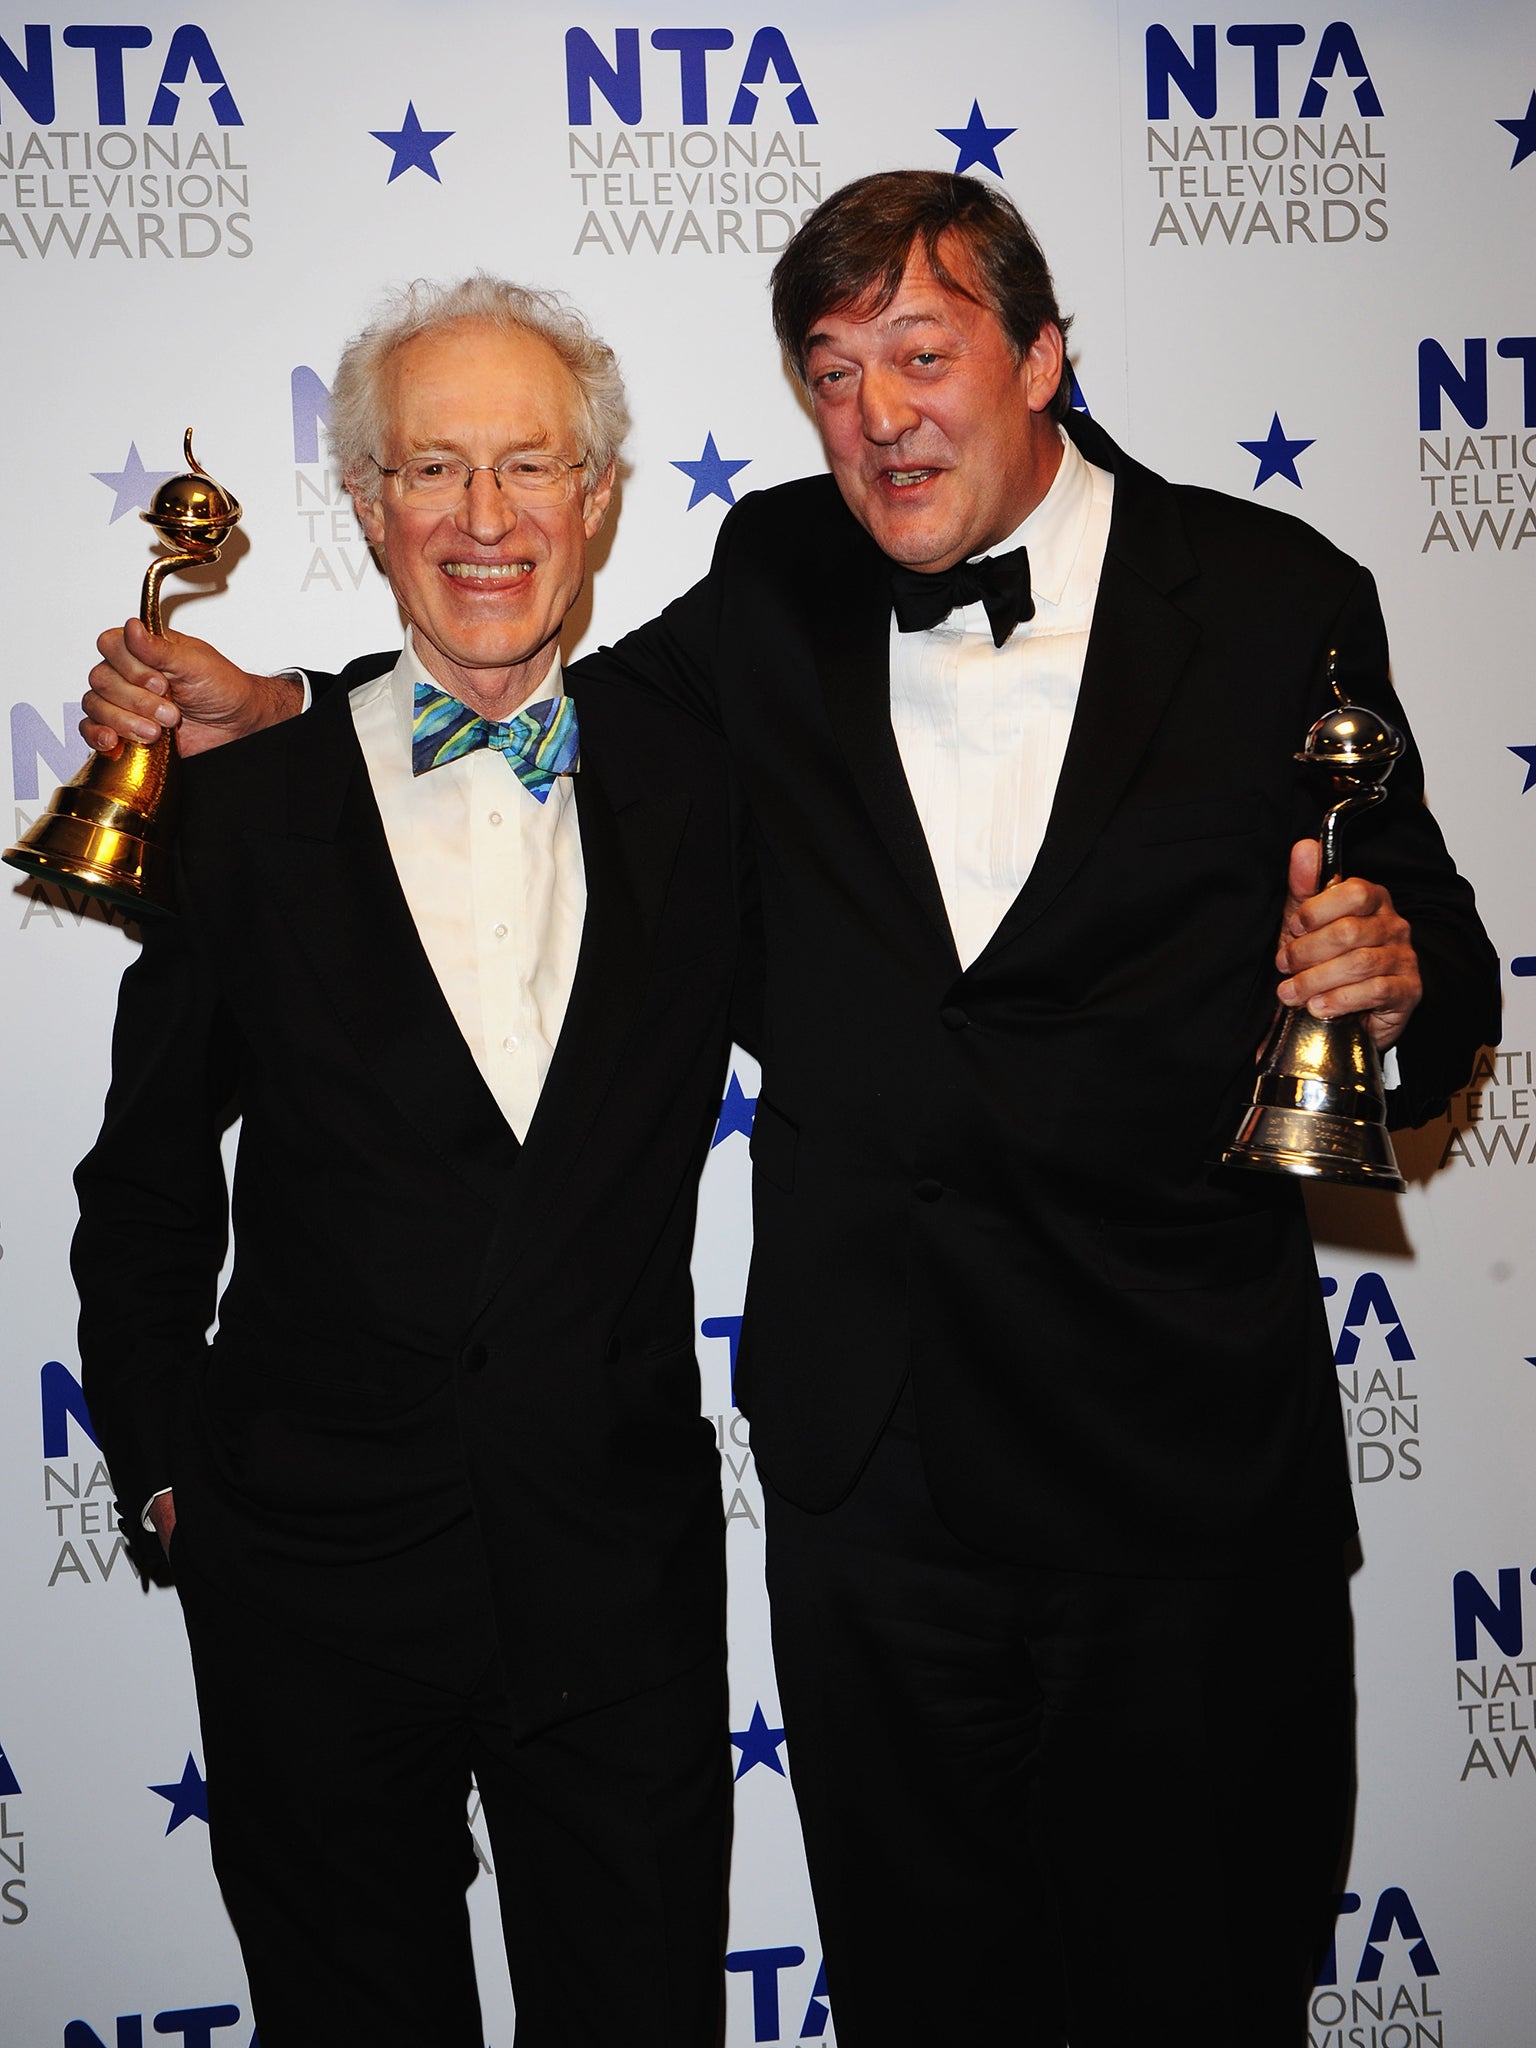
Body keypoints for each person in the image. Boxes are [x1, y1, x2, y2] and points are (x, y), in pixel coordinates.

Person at [82, 174, 1500, 2047]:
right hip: (874, 1497)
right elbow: (508, 696)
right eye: (832, 373)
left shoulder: (1271, 596)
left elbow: (1440, 947)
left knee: (1203, 1992)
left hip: (1177, 1492)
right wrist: (284, 709)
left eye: (924, 353)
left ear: (1046, 357)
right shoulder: (775, 581)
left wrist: (1396, 974)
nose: (880, 414)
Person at [72, 277, 750, 2048]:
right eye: (431, 471)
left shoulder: (708, 785)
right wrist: (166, 1478)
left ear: (600, 498)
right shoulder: (241, 812)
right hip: (305, 1583)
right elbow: (142, 1185)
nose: (483, 519)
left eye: (529, 467)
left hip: (618, 1581)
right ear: (364, 504)